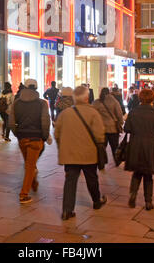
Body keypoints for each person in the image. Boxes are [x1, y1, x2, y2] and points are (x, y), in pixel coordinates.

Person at [54, 85, 107, 221]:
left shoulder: (65, 113)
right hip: (88, 154)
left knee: (70, 181)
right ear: (87, 97)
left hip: (70, 154)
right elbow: (100, 136)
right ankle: (96, 201)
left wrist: (63, 147)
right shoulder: (93, 113)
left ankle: (67, 210)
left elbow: (57, 134)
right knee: (91, 178)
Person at [9, 79, 50, 204]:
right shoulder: (42, 103)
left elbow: (11, 122)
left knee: (28, 164)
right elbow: (45, 122)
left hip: (22, 138)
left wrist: (18, 134)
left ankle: (33, 182)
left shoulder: (16, 103)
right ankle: (24, 194)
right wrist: (44, 136)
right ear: (36, 88)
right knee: (30, 166)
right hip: (36, 138)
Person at [92, 88, 123, 163]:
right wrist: (120, 122)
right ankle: (117, 161)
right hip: (113, 128)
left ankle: (101, 161)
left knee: (102, 146)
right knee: (115, 146)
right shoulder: (114, 101)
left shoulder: (97, 102)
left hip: (101, 128)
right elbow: (119, 114)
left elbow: (92, 114)